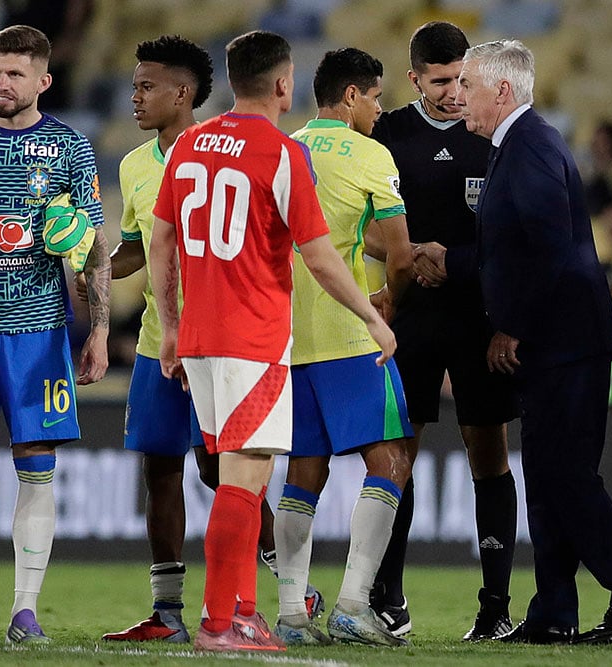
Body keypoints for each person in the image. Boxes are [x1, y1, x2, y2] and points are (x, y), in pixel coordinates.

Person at [419, 38, 612, 646]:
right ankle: (554, 610)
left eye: (469, 85)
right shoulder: (521, 144)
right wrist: (452, 260)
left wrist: (515, 326)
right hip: (560, 342)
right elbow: (510, 248)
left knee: (564, 475)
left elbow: (549, 247)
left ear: (503, 90)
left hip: (564, 343)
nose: (459, 96)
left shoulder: (529, 145)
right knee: (549, 474)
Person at [148, 30, 395, 653]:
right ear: (284, 84)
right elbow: (321, 257)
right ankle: (219, 623)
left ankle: (246, 612)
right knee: (244, 478)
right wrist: (371, 316)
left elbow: (161, 242)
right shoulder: (282, 153)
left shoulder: (189, 143)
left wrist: (171, 328)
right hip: (252, 340)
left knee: (246, 481)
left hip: (199, 339)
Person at [96, 35, 322, 645]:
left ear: (183, 93)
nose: (135, 98)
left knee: (224, 469)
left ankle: (278, 588)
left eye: (147, 87)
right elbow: (143, 247)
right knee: (160, 469)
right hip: (161, 340)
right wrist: (95, 269)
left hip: (221, 340)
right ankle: (169, 611)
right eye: (134, 86)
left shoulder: (215, 149)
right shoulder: (133, 165)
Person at [369, 21, 518, 642]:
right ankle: (388, 598)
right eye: (440, 82)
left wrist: (452, 260)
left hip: (480, 315)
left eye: (461, 79)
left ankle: (495, 606)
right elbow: (360, 221)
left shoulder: (491, 131)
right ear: (414, 80)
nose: (454, 93)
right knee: (397, 453)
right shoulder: (388, 134)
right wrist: (406, 256)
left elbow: (512, 228)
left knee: (488, 452)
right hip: (411, 313)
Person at [273, 46, 413, 649]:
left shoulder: (284, 149)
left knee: (303, 473)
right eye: (376, 97)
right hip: (352, 334)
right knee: (391, 461)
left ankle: (290, 615)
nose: (380, 110)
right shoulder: (370, 154)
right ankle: (355, 604)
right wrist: (387, 302)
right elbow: (400, 256)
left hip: (288, 337)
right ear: (352, 95)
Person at [0, 24, 110, 643]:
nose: (3, 83)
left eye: (15, 74)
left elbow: (94, 248)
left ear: (43, 80)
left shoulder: (68, 147)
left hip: (37, 328)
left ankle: (24, 611)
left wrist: (99, 330)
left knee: (36, 466)